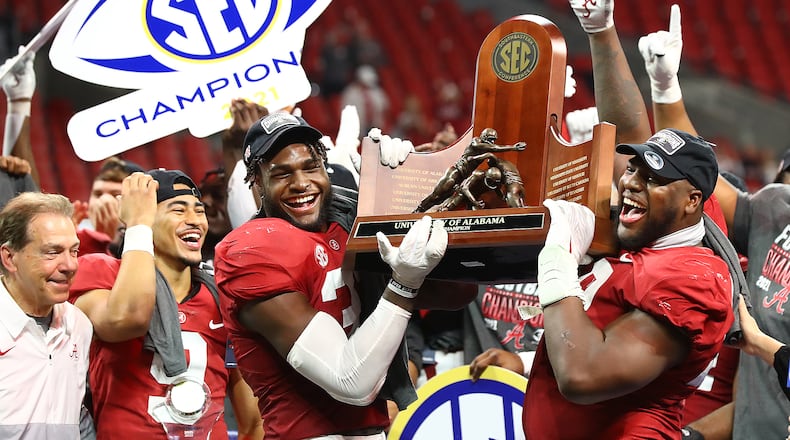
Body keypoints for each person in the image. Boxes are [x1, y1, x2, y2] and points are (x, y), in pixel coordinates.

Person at [213, 112, 475, 439]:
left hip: (372, 430)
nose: (300, 184)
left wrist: (404, 194)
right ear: (257, 182)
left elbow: (459, 291)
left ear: (325, 168)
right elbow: (350, 382)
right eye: (282, 174)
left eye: (310, 167)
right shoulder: (250, 250)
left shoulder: (345, 221)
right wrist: (404, 283)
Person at [522, 127, 734, 438]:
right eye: (633, 169)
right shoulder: (661, 226)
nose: (631, 182)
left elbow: (582, 375)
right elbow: (630, 123)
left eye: (653, 179)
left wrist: (560, 261)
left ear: (692, 202)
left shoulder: (693, 281)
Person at [68, 170, 262, 440]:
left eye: (198, 211)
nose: (194, 221)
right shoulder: (103, 274)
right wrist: (137, 226)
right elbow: (126, 318)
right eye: (178, 210)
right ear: (147, 218)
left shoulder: (223, 296)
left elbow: (253, 422)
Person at [0, 192, 93, 439]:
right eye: (52, 252)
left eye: (74, 251)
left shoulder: (80, 325)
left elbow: (78, 416)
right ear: (9, 257)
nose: (70, 265)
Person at [413, 128, 526, 213]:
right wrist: (512, 148)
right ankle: (417, 212)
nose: (491, 143)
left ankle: (422, 213)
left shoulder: (485, 155)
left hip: (462, 177)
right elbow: (493, 149)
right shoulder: (476, 142)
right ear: (484, 136)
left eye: (493, 140)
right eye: (490, 140)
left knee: (440, 199)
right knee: (436, 196)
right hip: (455, 172)